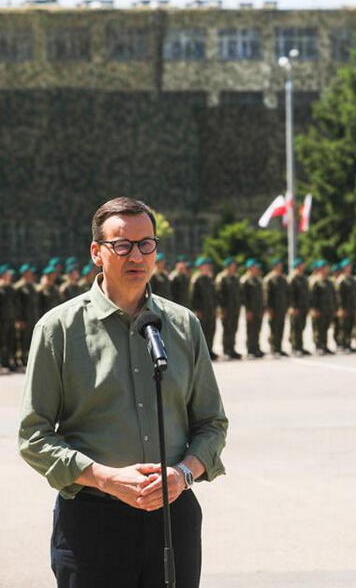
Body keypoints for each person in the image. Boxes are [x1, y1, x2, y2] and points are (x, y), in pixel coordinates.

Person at [17, 196, 228, 588]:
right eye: (122, 244)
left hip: (172, 520)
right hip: (93, 524)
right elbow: (33, 436)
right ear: (97, 252)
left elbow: (212, 423)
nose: (137, 255)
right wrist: (105, 478)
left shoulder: (182, 325)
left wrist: (183, 474)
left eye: (146, 243)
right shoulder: (58, 330)